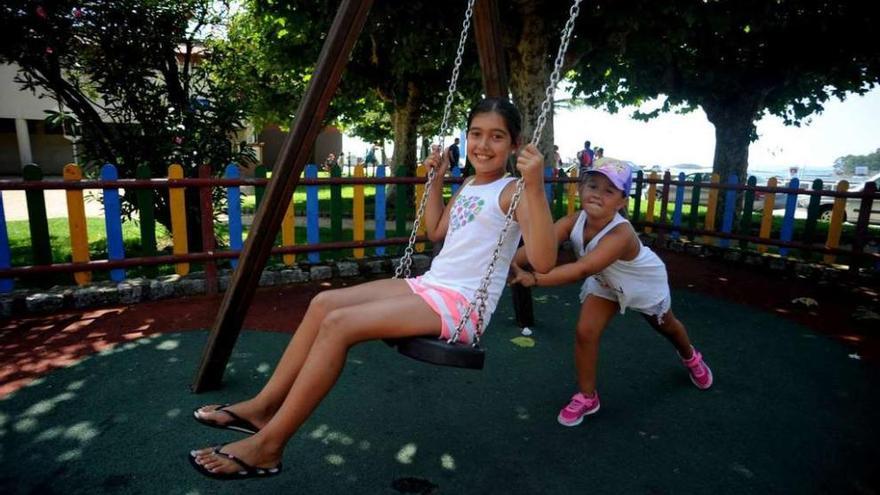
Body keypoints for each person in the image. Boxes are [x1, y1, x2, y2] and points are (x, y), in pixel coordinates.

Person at [189, 97, 557, 479]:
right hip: (431, 285)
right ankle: (262, 408)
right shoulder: (468, 184)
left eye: (497, 137)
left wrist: (534, 186)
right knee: (322, 303)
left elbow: (544, 261)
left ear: (515, 145)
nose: (483, 145)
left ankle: (268, 447)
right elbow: (436, 232)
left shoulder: (514, 191)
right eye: (476, 134)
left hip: (459, 306)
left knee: (340, 324)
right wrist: (433, 181)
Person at [508, 158, 713, 428]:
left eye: (609, 191)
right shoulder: (572, 221)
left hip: (642, 282)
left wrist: (534, 278)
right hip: (605, 282)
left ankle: (690, 356)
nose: (597, 193)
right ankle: (587, 396)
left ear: (621, 202)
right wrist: (508, 260)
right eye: (592, 185)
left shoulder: (621, 235)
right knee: (585, 332)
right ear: (580, 189)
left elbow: (582, 269)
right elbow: (538, 245)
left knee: (666, 326)